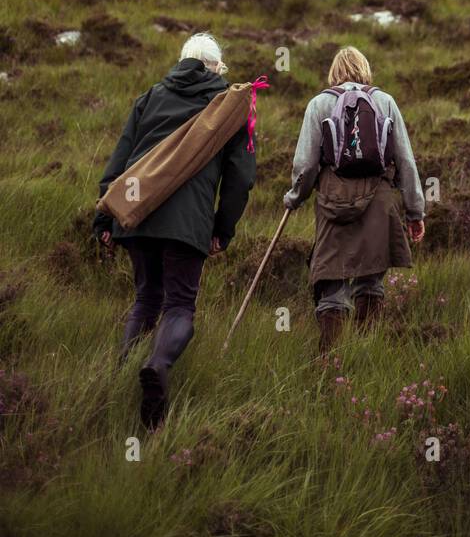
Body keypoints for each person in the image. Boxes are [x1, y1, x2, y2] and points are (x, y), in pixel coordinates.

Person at [92, 33, 255, 428]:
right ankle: (158, 366)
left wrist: (105, 215)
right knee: (179, 305)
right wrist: (223, 228)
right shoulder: (231, 107)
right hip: (189, 223)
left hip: (137, 215)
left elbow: (121, 158)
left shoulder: (150, 96)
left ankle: (120, 379)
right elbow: (242, 178)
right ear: (218, 68)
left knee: (146, 299)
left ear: (181, 62)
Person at [282, 46, 425, 352]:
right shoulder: (385, 102)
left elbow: (305, 166)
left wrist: (294, 198)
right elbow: (406, 161)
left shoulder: (319, 104)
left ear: (334, 72)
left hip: (333, 201)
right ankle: (364, 354)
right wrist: (415, 211)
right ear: (365, 69)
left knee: (332, 283)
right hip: (380, 202)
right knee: (371, 283)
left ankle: (330, 362)